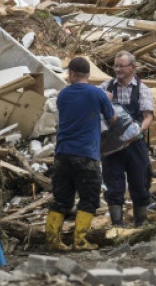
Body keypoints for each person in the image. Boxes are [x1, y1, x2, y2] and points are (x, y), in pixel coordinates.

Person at [46, 56, 116, 252]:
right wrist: (107, 101)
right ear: (87, 74)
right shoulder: (98, 94)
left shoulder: (63, 95)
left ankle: (52, 240)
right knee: (89, 197)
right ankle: (80, 240)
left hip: (62, 154)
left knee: (61, 198)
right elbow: (112, 119)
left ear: (72, 74)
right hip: (86, 155)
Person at [101, 51, 154, 227]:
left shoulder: (142, 89)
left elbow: (148, 117)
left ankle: (141, 223)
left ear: (132, 67)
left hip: (135, 144)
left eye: (121, 66)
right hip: (111, 146)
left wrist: (138, 130)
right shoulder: (105, 87)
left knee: (140, 181)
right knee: (113, 183)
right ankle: (117, 225)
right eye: (115, 66)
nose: (117, 70)